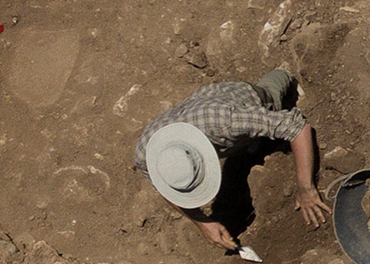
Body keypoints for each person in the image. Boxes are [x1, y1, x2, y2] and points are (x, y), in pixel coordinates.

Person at [134, 69, 331, 251]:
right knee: (246, 141)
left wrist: (306, 188)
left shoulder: (228, 122)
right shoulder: (147, 154)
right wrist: (202, 222)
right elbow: (165, 188)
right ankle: (252, 142)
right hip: (200, 109)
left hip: (238, 97)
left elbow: (298, 127)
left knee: (271, 93)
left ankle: (283, 74)